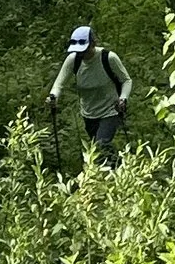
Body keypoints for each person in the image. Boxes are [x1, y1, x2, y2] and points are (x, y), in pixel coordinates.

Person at [48, 22, 134, 163]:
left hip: (110, 111)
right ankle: (122, 167)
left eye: (84, 50)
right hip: (89, 114)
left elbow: (126, 80)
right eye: (79, 51)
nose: (81, 54)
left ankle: (114, 175)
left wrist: (123, 98)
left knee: (100, 147)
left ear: (93, 44)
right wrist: (53, 97)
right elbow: (59, 84)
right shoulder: (73, 60)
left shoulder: (108, 58)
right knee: (99, 150)